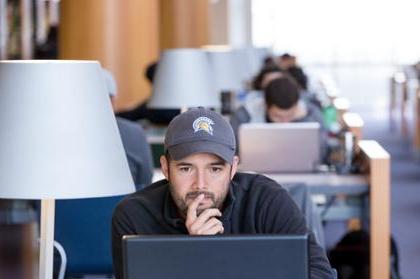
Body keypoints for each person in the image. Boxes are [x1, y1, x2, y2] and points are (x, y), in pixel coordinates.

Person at [111, 107, 334, 279]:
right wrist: (194, 254)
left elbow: (319, 274)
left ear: (233, 169)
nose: (200, 184)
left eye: (215, 169)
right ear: (166, 168)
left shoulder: (266, 200)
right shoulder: (134, 216)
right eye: (186, 168)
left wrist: (220, 255)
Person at [230, 75, 328, 161]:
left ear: (297, 105)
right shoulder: (244, 115)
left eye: (290, 116)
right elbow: (232, 151)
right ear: (265, 105)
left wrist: (304, 119)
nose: (284, 123)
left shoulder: (312, 114)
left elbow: (322, 152)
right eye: (277, 116)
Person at [102, 69, 154, 189]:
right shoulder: (133, 132)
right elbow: (146, 181)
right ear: (113, 99)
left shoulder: (62, 135)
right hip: (126, 203)